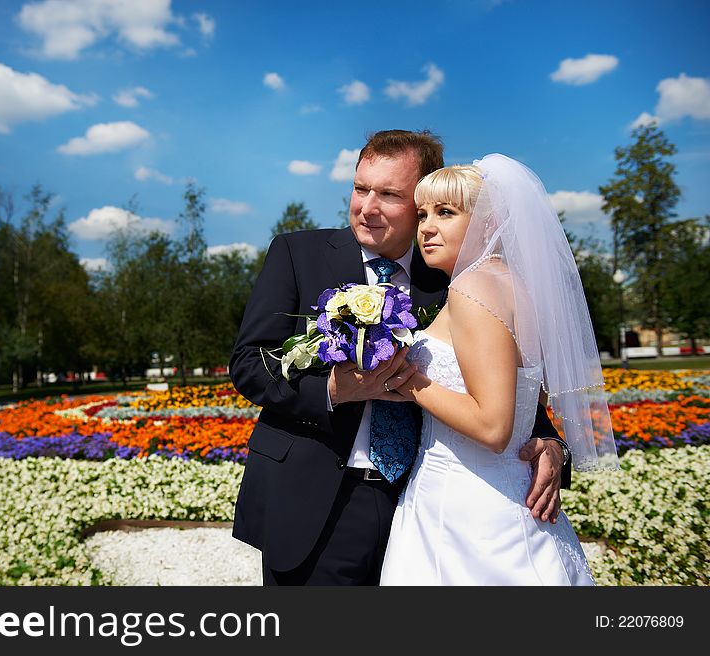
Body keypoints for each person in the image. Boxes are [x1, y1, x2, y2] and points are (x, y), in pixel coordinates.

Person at [229, 131, 569, 585]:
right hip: (317, 503)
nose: (367, 207)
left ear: (422, 198)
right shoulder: (297, 254)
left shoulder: (453, 275)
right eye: (360, 188)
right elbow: (250, 363)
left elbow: (498, 375)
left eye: (389, 194)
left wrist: (550, 444)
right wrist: (331, 391)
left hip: (418, 500)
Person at [379, 156, 620, 585]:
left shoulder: (472, 288)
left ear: (490, 225)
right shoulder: (517, 287)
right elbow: (530, 399)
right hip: (510, 496)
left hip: (465, 511)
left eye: (446, 213)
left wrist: (406, 379)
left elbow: (494, 428)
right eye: (422, 214)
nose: (426, 228)